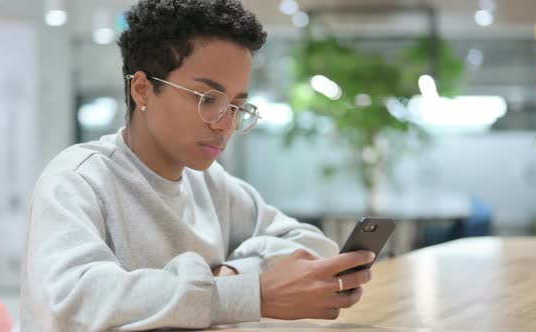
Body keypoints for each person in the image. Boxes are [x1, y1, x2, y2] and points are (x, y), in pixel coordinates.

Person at [20, 0, 375, 330]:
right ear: (142, 89)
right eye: (208, 99)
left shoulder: (210, 184)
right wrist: (247, 294)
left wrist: (233, 274)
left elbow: (313, 245)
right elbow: (70, 304)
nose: (225, 124)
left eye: (237, 106)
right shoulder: (78, 180)